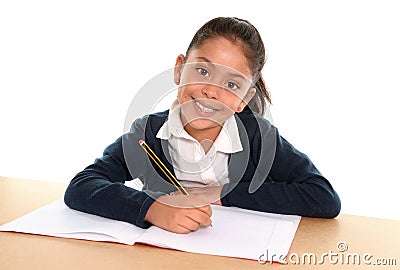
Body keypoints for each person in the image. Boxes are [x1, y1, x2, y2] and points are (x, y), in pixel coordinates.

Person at [64, 17, 341, 234]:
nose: (211, 91)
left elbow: (324, 197)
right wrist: (152, 209)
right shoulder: (147, 133)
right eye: (203, 71)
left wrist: (224, 194)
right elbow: (82, 186)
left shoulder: (259, 137)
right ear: (179, 69)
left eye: (231, 84)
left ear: (244, 99)